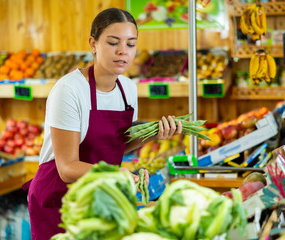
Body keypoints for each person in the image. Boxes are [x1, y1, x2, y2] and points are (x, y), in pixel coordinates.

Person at [24, 8, 182, 240]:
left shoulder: (127, 88)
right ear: (93, 44)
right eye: (112, 42)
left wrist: (154, 134)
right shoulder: (69, 90)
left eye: (130, 44)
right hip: (59, 199)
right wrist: (117, 173)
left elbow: (114, 145)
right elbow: (67, 168)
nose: (122, 51)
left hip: (101, 195)